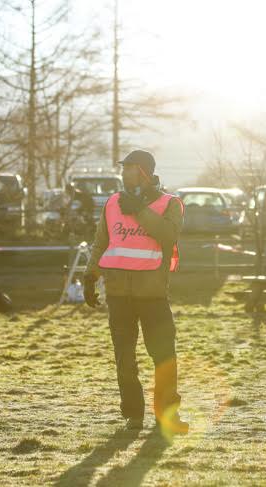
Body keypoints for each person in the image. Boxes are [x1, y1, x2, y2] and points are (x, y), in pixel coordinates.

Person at [82, 149, 188, 434]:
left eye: (128, 168)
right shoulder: (113, 203)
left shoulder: (169, 204)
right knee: (124, 358)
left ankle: (167, 417)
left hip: (153, 295)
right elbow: (101, 242)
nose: (122, 173)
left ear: (142, 171)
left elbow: (168, 235)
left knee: (164, 357)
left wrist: (139, 211)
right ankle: (133, 416)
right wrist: (90, 276)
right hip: (118, 294)